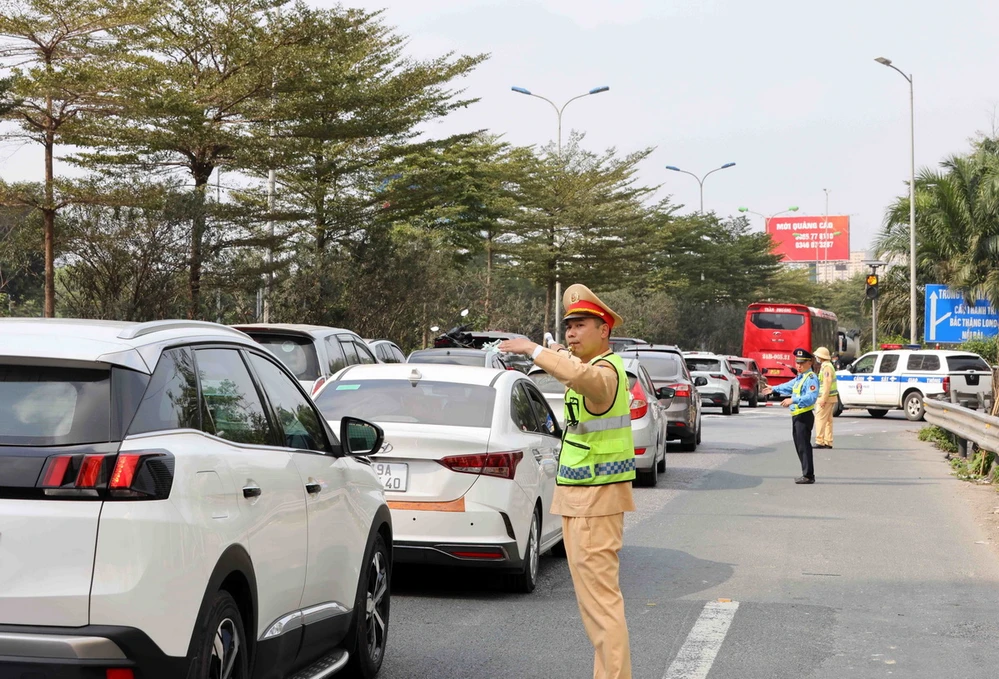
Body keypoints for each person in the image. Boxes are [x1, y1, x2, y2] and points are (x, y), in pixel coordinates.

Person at [499, 283, 635, 679]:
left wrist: (533, 351)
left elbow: (584, 380)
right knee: (596, 609)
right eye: (568, 326)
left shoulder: (606, 375)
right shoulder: (593, 368)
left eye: (580, 325)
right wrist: (554, 352)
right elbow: (575, 372)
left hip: (596, 501)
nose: (571, 333)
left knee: (602, 607)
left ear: (604, 329)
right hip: (584, 499)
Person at [761, 348, 820, 484]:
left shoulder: (811, 378)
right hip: (797, 415)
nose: (798, 366)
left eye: (802, 363)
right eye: (797, 363)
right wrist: (774, 388)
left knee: (804, 446)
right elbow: (790, 386)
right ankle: (806, 473)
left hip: (804, 416)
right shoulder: (801, 377)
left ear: (810, 363)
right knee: (799, 446)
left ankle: (808, 475)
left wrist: (793, 400)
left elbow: (811, 397)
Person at [813, 346, 838, 449]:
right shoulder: (828, 365)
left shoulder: (826, 367)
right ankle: (828, 441)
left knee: (819, 418)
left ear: (821, 357)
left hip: (826, 397)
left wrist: (823, 399)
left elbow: (827, 384)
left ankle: (820, 441)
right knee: (828, 421)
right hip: (831, 397)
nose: (816, 358)